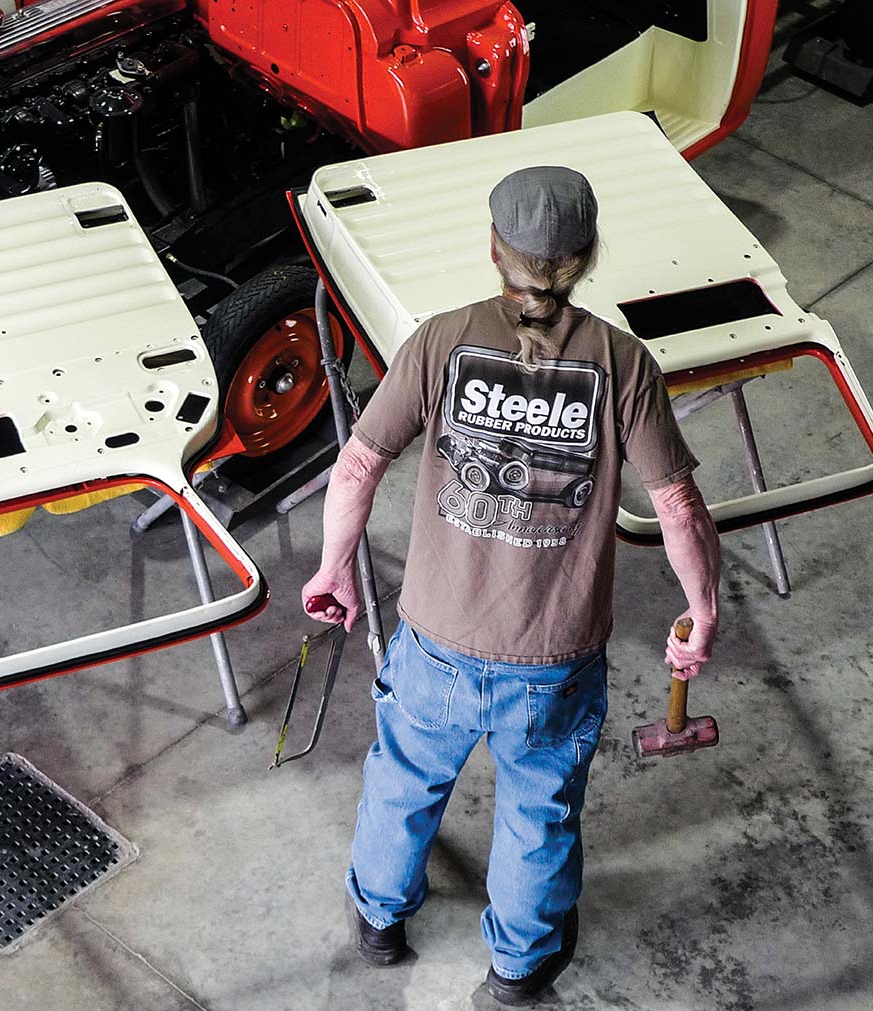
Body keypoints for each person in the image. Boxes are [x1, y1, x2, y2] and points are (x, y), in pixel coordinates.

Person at [301, 166, 721, 1005]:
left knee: (404, 776)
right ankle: (519, 968)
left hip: (435, 642)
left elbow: (355, 466)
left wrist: (332, 565)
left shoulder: (439, 340)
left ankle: (380, 919)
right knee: (538, 809)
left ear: (495, 251)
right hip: (553, 658)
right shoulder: (622, 362)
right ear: (587, 257)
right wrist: (702, 607)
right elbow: (676, 503)